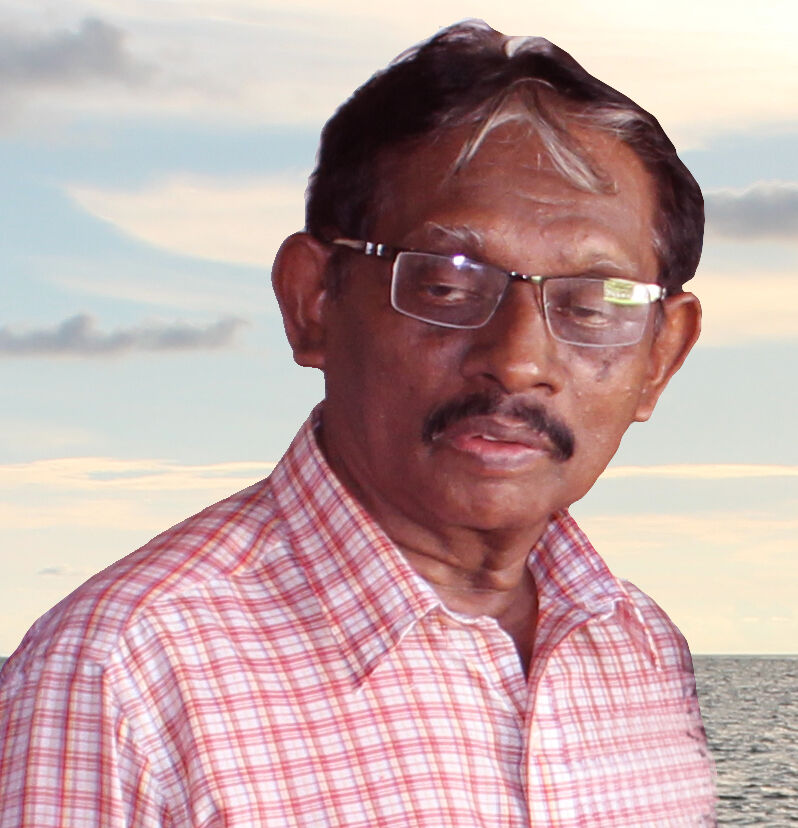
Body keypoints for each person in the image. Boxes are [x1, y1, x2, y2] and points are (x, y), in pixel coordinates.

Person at [0, 20, 716, 827]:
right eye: (447, 285)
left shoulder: (640, 649)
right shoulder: (119, 676)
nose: (518, 361)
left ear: (661, 357)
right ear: (313, 301)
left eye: (594, 304)